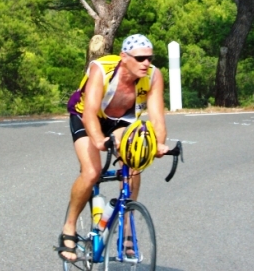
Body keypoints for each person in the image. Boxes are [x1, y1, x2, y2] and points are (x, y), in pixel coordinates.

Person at [57, 34, 170, 262]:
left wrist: (158, 144)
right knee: (91, 172)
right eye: (140, 59)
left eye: (149, 58)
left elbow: (157, 120)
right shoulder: (101, 69)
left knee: (135, 161)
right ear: (123, 58)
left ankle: (127, 227)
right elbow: (89, 113)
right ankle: (68, 228)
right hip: (86, 117)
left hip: (121, 122)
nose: (146, 63)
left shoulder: (153, 76)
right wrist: (99, 140)